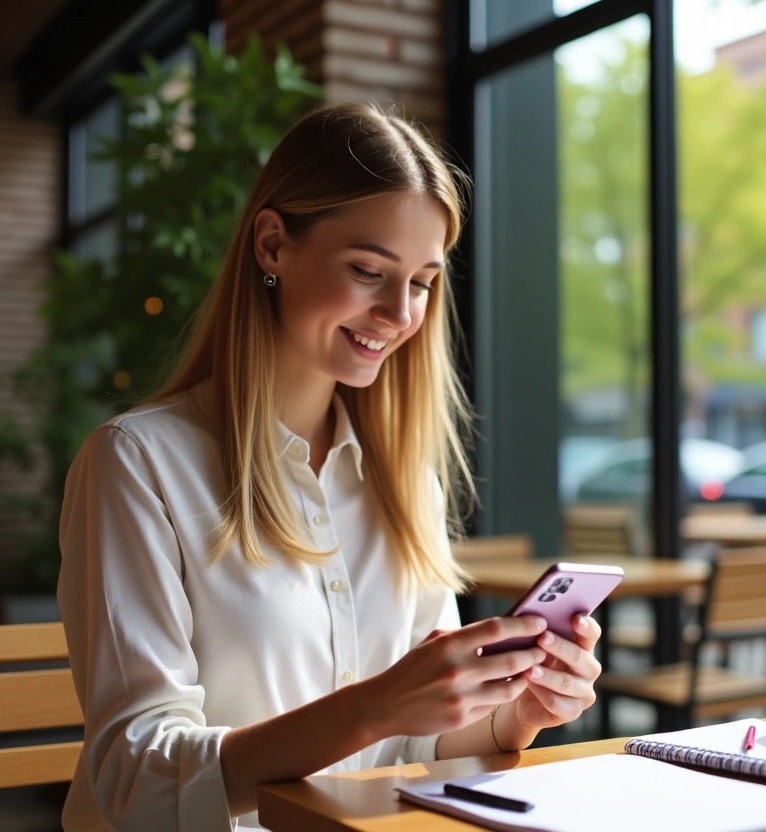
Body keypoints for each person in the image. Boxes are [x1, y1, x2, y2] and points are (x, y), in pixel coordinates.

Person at [57, 102, 603, 832]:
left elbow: (415, 749)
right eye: (369, 270)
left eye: (422, 281)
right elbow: (135, 777)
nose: (401, 313)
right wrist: (373, 706)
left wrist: (512, 719)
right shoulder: (138, 464)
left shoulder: (404, 480)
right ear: (273, 244)